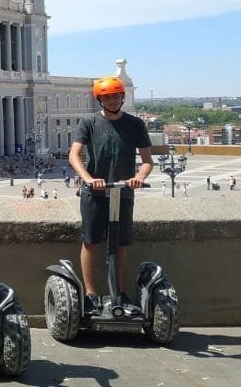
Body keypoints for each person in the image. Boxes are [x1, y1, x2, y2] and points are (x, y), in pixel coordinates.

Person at [69, 77, 152, 316]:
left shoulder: (135, 124)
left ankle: (118, 293)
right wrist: (87, 178)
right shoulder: (89, 122)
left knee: (121, 243)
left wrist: (138, 177)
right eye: (107, 97)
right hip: (94, 193)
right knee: (90, 241)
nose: (113, 100)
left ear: (123, 97)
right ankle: (91, 293)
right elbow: (74, 155)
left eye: (116, 96)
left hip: (122, 192)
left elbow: (147, 161)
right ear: (100, 100)